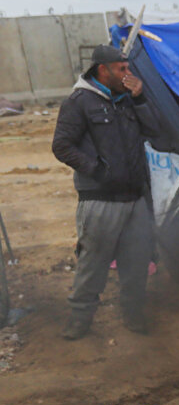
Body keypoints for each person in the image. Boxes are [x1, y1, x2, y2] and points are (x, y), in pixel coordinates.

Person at [52, 44, 159, 340]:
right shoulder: (79, 102)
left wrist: (140, 98)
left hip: (135, 198)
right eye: (122, 68)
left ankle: (133, 315)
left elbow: (154, 130)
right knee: (93, 264)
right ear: (103, 70)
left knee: (136, 262)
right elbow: (61, 146)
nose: (128, 74)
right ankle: (80, 321)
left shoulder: (126, 99)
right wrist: (97, 170)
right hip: (99, 200)